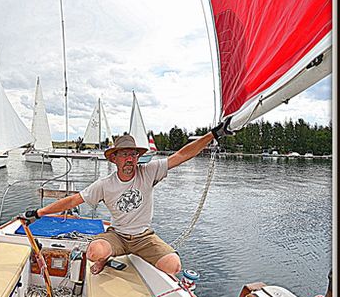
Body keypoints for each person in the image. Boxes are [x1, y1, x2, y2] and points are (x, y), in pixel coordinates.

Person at [23, 118, 234, 277]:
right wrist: (40, 213)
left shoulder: (149, 172)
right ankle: (106, 259)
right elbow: (72, 201)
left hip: (143, 237)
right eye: (124, 154)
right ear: (114, 159)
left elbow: (182, 155)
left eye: (133, 154)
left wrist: (213, 135)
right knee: (94, 252)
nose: (129, 159)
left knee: (173, 266)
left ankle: (133, 256)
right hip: (117, 235)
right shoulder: (105, 184)